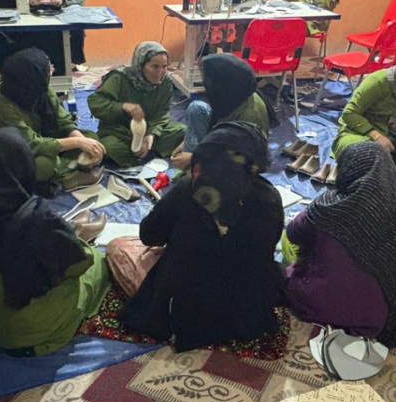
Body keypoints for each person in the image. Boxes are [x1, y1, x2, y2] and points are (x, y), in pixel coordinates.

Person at [0, 129, 111, 356]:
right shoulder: (39, 221)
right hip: (30, 334)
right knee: (97, 263)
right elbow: (78, 267)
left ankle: (72, 237)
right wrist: (76, 245)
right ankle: (78, 237)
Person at [122, 123, 285, 352]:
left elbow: (150, 236)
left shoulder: (188, 188)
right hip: (247, 309)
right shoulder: (270, 197)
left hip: (189, 313)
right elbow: (269, 245)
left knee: (120, 247)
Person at [282, 144, 396, 347]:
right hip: (386, 312)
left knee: (290, 244)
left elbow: (294, 233)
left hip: (324, 304)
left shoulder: (328, 205)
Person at [0, 48, 104, 193]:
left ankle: (67, 171)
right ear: (30, 76)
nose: (52, 68)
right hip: (9, 153)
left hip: (42, 138)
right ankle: (65, 175)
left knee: (91, 138)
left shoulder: (38, 87)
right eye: (47, 67)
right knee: (45, 164)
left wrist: (82, 140)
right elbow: (29, 144)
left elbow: (62, 120)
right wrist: (77, 143)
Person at [88, 42, 185, 167]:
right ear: (141, 65)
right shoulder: (120, 78)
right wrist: (122, 107)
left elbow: (162, 112)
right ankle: (145, 153)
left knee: (182, 131)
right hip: (118, 130)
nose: (160, 72)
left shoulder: (165, 82)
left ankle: (143, 149)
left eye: (164, 66)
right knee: (109, 147)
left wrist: (150, 135)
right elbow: (95, 103)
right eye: (155, 66)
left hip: (148, 127)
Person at [171, 55, 270, 171]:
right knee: (196, 109)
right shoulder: (234, 93)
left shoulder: (250, 116)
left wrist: (194, 157)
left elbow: (237, 159)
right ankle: (191, 169)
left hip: (237, 165)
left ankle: (195, 172)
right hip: (224, 139)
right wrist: (187, 140)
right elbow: (217, 121)